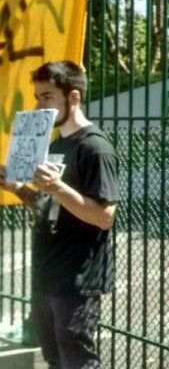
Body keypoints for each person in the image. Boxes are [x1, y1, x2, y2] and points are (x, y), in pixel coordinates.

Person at [0, 61, 120, 369]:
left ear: (74, 97)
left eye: (47, 96)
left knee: (78, 361)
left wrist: (57, 188)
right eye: (38, 96)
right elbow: (48, 206)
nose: (39, 105)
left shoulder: (95, 147)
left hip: (77, 279)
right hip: (47, 274)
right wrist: (18, 190)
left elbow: (105, 216)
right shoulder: (55, 143)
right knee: (54, 360)